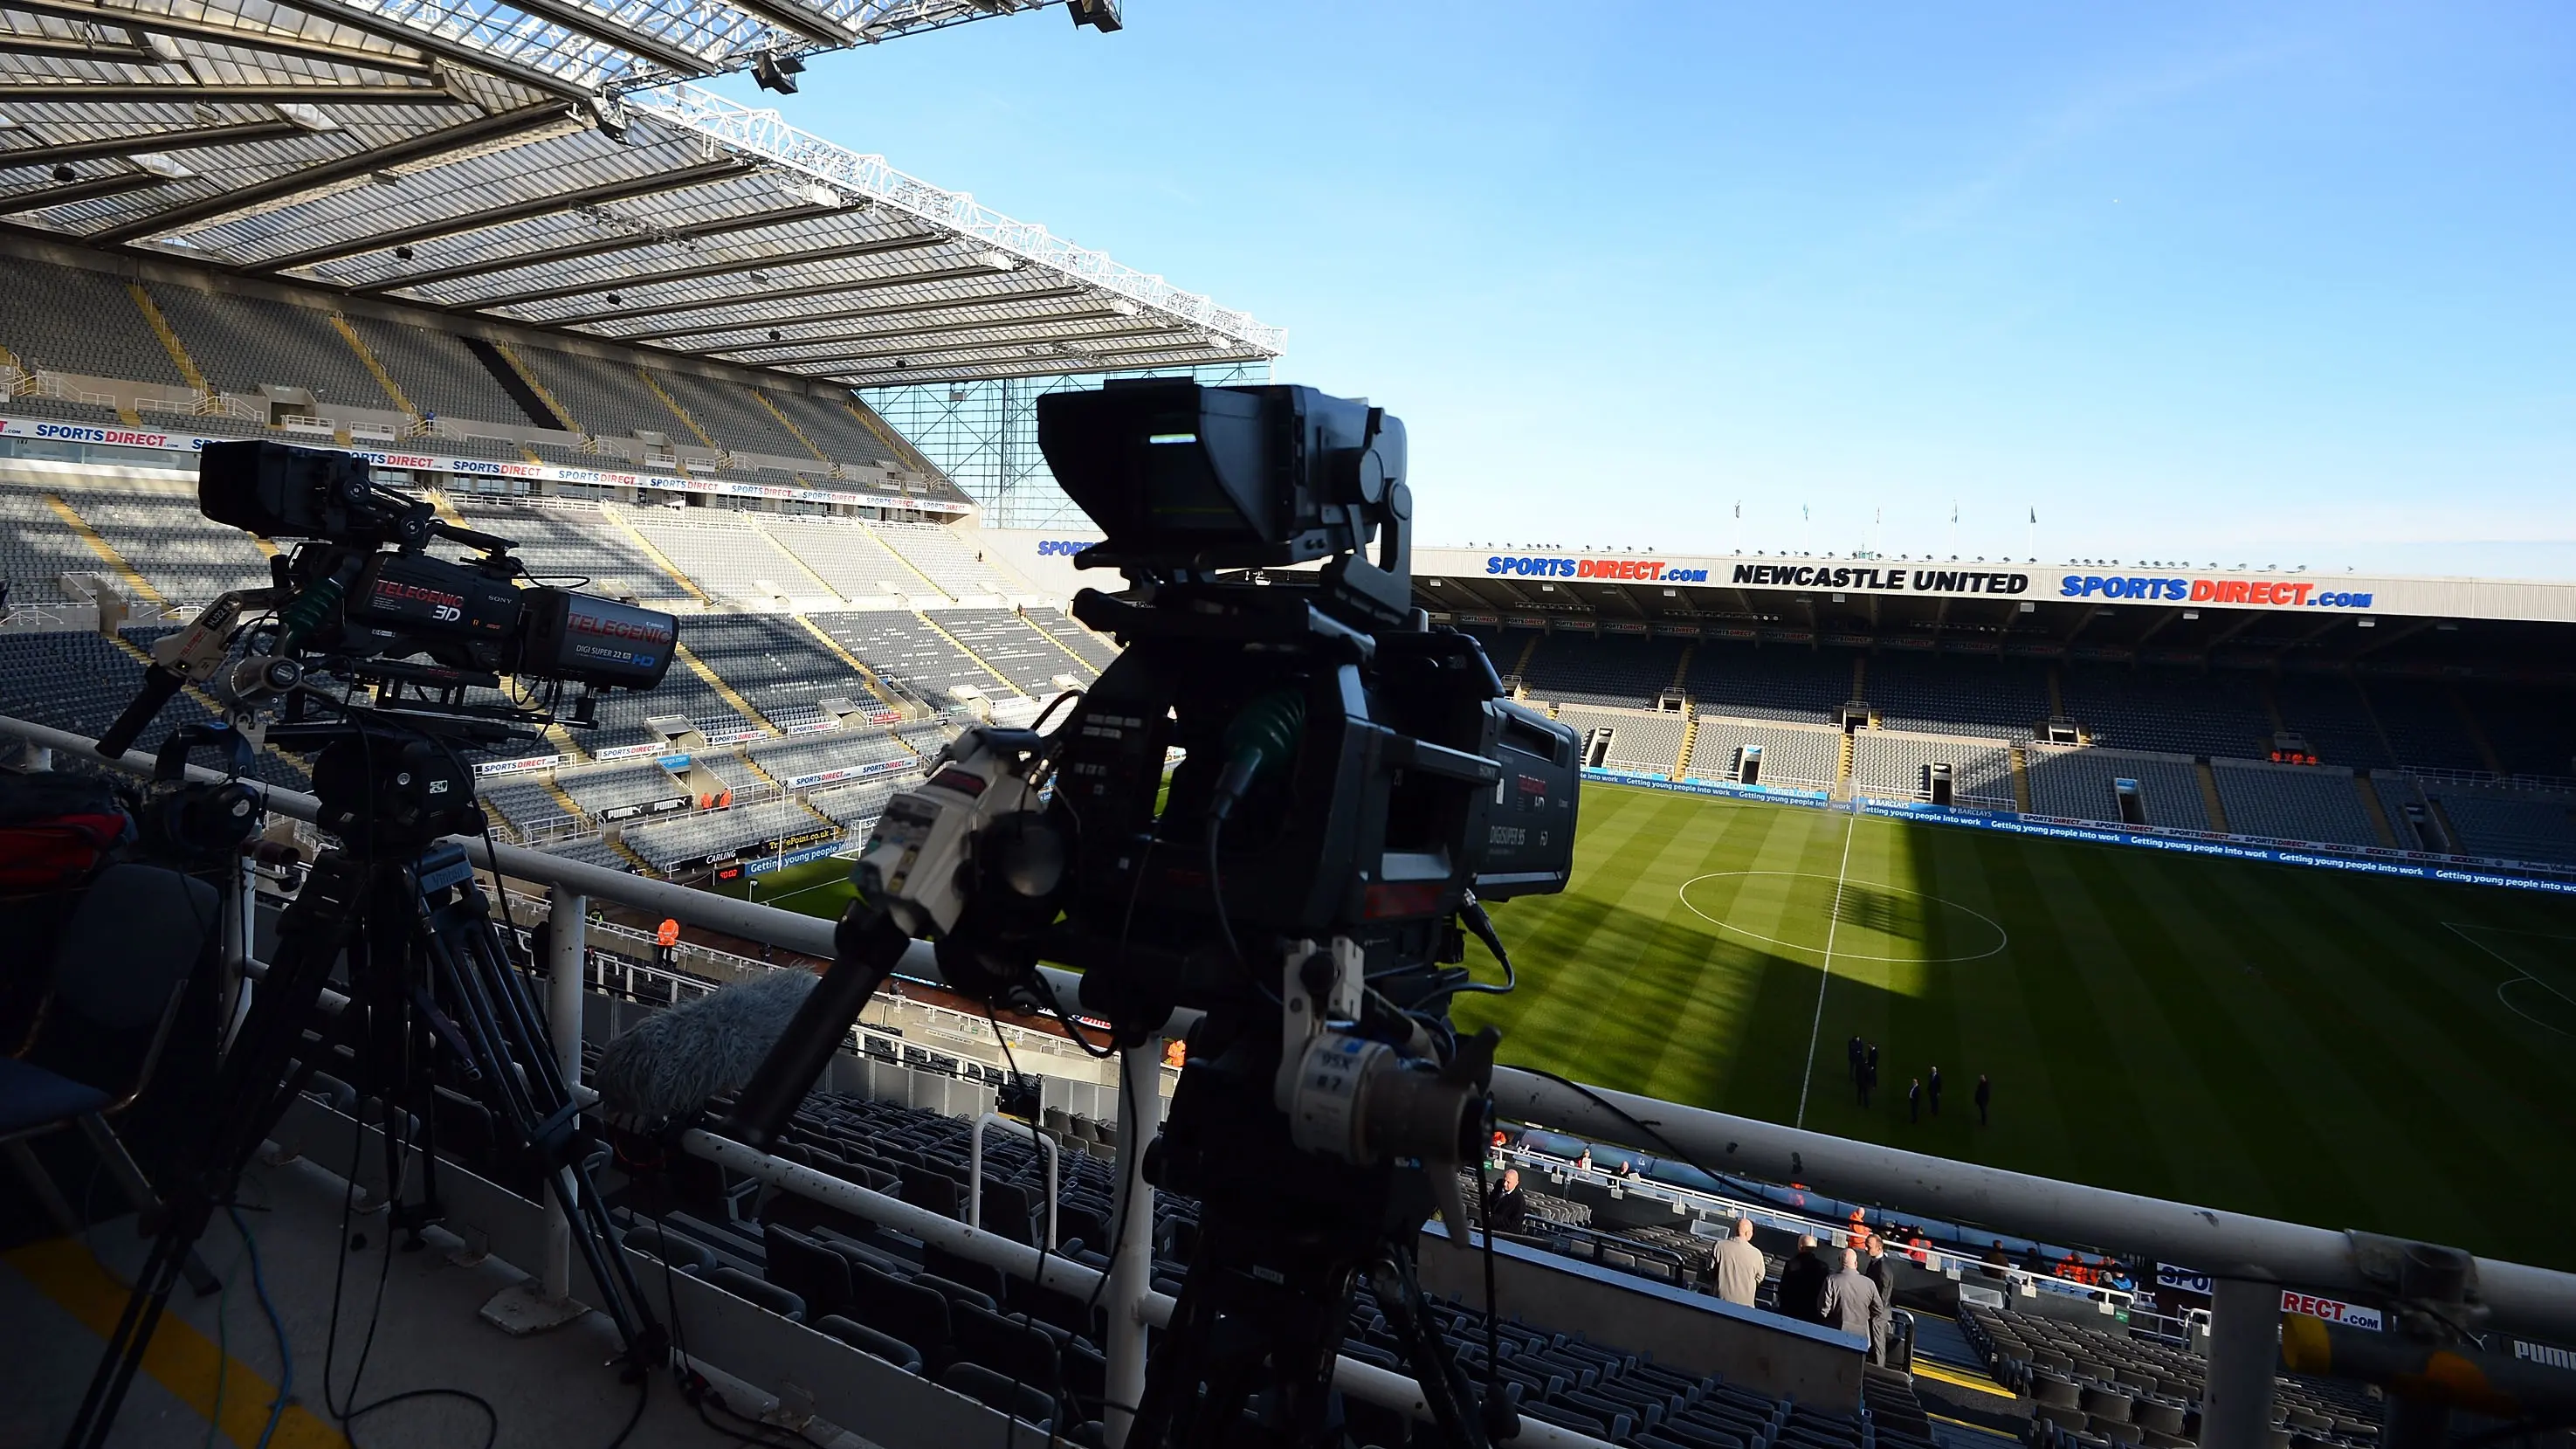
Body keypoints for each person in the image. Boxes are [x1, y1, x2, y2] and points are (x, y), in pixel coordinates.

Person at [1822, 1247, 1891, 1363]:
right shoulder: (1869, 1283)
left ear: (1840, 1262)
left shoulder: (1831, 1280)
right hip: (1861, 1334)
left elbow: (1824, 1309)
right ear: (1856, 1263)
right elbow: (1879, 1308)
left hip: (1836, 1331)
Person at [1712, 1216, 1766, 1307]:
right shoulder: (1757, 1254)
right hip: (1746, 1307)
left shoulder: (1719, 1246)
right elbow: (1759, 1278)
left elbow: (1711, 1270)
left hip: (1720, 1302)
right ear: (1747, 1233)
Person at [1776, 1234, 1830, 1323]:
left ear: (1800, 1247)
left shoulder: (1791, 1264)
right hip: (1812, 1314)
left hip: (1791, 1312)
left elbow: (1783, 1289)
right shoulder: (1823, 1267)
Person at [1484, 1167, 1528, 1234]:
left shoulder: (1519, 1201)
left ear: (1516, 1183)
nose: (1505, 1184)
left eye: (1508, 1182)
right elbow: (1491, 1199)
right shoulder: (1499, 1184)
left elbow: (1514, 1225)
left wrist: (1492, 1218)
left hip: (1502, 1233)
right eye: (1504, 1180)